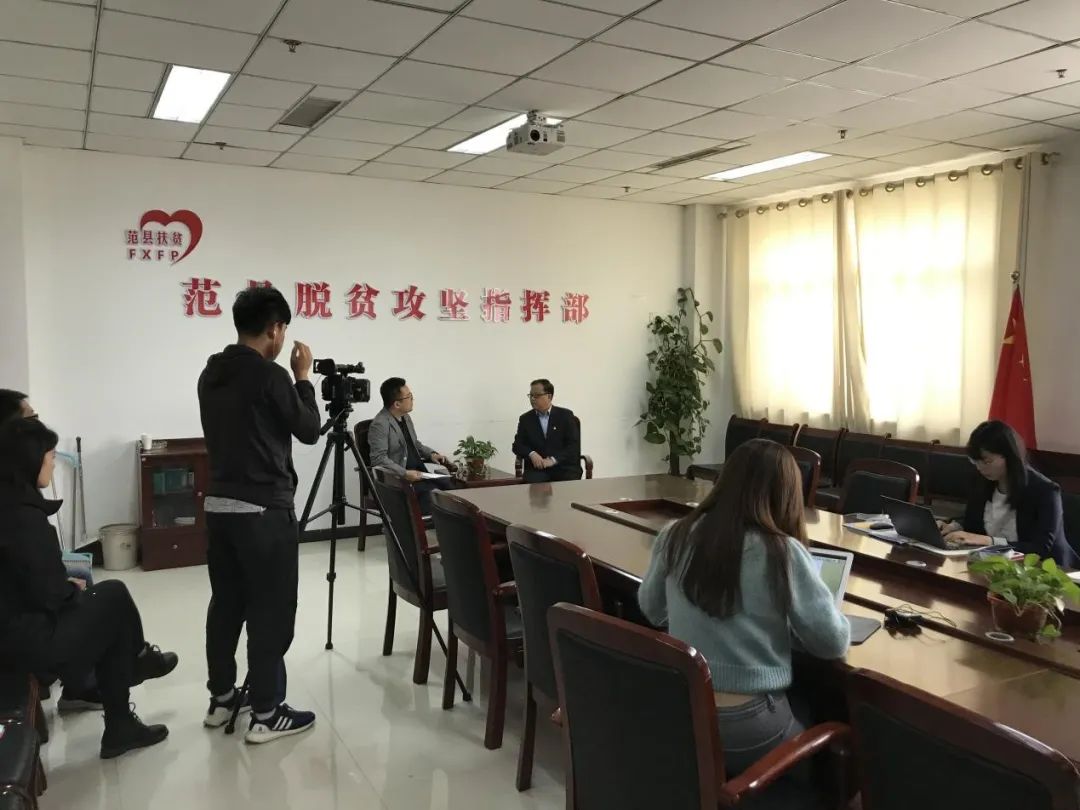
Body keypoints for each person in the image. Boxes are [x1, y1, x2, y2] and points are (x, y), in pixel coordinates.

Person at [638, 438, 850, 789]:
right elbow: (833, 643)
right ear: (786, 495)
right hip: (748, 729)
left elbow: (651, 609)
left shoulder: (675, 534)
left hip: (683, 710)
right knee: (829, 724)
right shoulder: (784, 552)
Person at [0, 418, 177, 758]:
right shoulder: (22, 517)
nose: (53, 464)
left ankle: (134, 672)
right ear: (31, 460)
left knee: (110, 605)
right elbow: (49, 592)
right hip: (27, 639)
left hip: (18, 627)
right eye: (50, 456)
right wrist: (70, 589)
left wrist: (64, 587)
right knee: (113, 599)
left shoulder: (10, 504)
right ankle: (131, 678)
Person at [198, 286, 321, 744]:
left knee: (226, 605)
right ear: (275, 328)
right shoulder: (271, 375)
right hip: (264, 511)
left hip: (219, 507)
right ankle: (267, 713)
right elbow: (309, 429)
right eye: (282, 330)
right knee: (271, 611)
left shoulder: (210, 373)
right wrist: (303, 378)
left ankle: (222, 698)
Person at [939, 420, 1077, 567]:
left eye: (987, 461)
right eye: (975, 461)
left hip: (1048, 570)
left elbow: (1040, 548)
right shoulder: (982, 481)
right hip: (995, 565)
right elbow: (973, 524)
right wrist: (953, 526)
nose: (980, 468)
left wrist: (989, 541)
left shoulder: (1045, 491)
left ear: (1009, 455)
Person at [369, 377, 455, 512]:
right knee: (434, 496)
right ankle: (422, 525)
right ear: (397, 404)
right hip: (400, 481)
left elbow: (414, 444)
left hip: (420, 474)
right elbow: (378, 459)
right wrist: (404, 473)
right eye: (409, 397)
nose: (412, 399)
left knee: (452, 488)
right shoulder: (380, 424)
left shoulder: (405, 417)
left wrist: (431, 454)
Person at [512, 379, 582, 484]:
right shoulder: (526, 419)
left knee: (567, 484)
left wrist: (553, 460)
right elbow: (517, 445)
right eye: (530, 395)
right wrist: (531, 454)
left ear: (549, 396)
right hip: (538, 470)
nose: (532, 399)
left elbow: (573, 446)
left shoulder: (565, 416)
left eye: (536, 395)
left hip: (563, 468)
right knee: (535, 485)